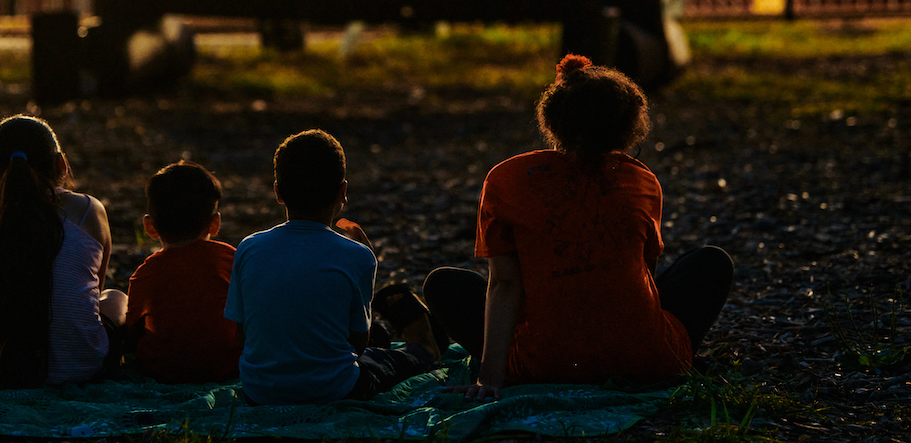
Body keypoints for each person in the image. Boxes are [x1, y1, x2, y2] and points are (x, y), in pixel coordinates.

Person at [424, 54, 734, 398]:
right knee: (710, 262)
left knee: (445, 284)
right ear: (630, 124)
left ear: (553, 117)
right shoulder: (642, 180)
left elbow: (505, 284)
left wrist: (490, 381)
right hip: (650, 361)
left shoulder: (506, 178)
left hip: (540, 364)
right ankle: (665, 354)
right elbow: (645, 271)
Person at [224, 128, 445, 404]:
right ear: (343, 191)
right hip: (334, 389)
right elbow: (358, 344)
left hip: (259, 391)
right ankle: (424, 347)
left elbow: (241, 334)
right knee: (389, 360)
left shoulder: (248, 247)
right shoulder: (356, 255)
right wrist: (368, 259)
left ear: (278, 192)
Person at [0, 114, 127, 388]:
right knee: (114, 297)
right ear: (61, 164)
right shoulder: (90, 210)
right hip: (84, 364)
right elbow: (94, 289)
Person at [124, 161, 242, 383]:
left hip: (164, 371)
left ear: (150, 227)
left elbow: (132, 329)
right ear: (215, 223)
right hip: (229, 367)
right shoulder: (231, 259)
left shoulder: (145, 273)